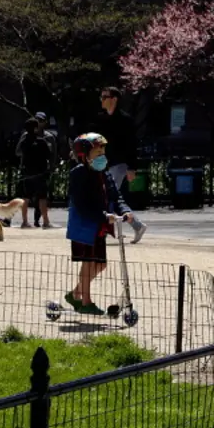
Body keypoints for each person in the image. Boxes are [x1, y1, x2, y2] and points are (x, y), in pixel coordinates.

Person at [64, 133, 135, 315]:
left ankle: (76, 293)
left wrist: (124, 210)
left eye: (103, 150)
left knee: (100, 263)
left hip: (99, 226)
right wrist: (105, 216)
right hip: (85, 225)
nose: (102, 154)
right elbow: (82, 204)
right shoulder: (78, 174)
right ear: (84, 155)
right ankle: (86, 301)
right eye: (98, 151)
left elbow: (115, 195)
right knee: (88, 262)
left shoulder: (104, 173)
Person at [91, 87, 143, 243]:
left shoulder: (125, 120)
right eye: (101, 97)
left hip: (119, 164)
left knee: (106, 196)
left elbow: (132, 144)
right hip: (105, 164)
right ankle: (137, 225)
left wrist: (132, 167)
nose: (102, 100)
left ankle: (104, 230)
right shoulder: (102, 119)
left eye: (105, 97)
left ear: (114, 99)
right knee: (112, 197)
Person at [16, 116, 56, 229]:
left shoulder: (24, 142)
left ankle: (24, 221)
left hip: (27, 172)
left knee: (26, 197)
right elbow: (49, 155)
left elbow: (18, 153)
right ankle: (46, 222)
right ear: (35, 129)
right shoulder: (41, 141)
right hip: (40, 173)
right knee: (42, 197)